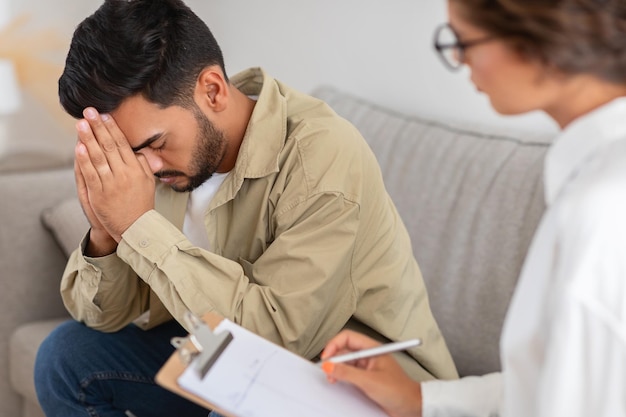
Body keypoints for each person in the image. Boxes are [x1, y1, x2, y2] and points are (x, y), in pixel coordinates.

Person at [33, 0, 458, 416]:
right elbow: (102, 317)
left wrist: (139, 225)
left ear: (212, 90)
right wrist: (108, 229)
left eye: (155, 144)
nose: (147, 166)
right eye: (128, 152)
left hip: (356, 380)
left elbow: (274, 340)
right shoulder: (168, 164)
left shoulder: (322, 156)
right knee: (64, 358)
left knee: (239, 405)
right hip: (226, 356)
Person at [321, 0, 626, 416]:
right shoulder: (590, 180)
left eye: (464, 41)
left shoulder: (602, 213)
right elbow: (551, 379)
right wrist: (420, 399)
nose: (461, 59)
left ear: (536, 37)